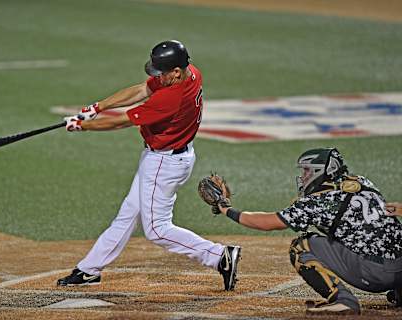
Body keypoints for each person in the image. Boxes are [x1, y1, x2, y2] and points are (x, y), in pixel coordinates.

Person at [57, 40, 240, 291]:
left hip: (164, 163)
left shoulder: (170, 98)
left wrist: (80, 125)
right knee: (128, 214)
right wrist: (97, 108)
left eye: (161, 73)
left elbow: (121, 122)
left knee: (156, 229)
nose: (157, 77)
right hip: (167, 156)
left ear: (176, 72)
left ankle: (219, 256)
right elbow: (142, 89)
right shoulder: (190, 72)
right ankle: (89, 269)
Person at [213, 147, 402, 314]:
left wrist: (226, 209)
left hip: (376, 273)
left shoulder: (319, 201)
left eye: (307, 171)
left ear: (321, 171)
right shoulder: (362, 182)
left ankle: (343, 301)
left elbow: (269, 222)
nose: (303, 177)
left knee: (301, 247)